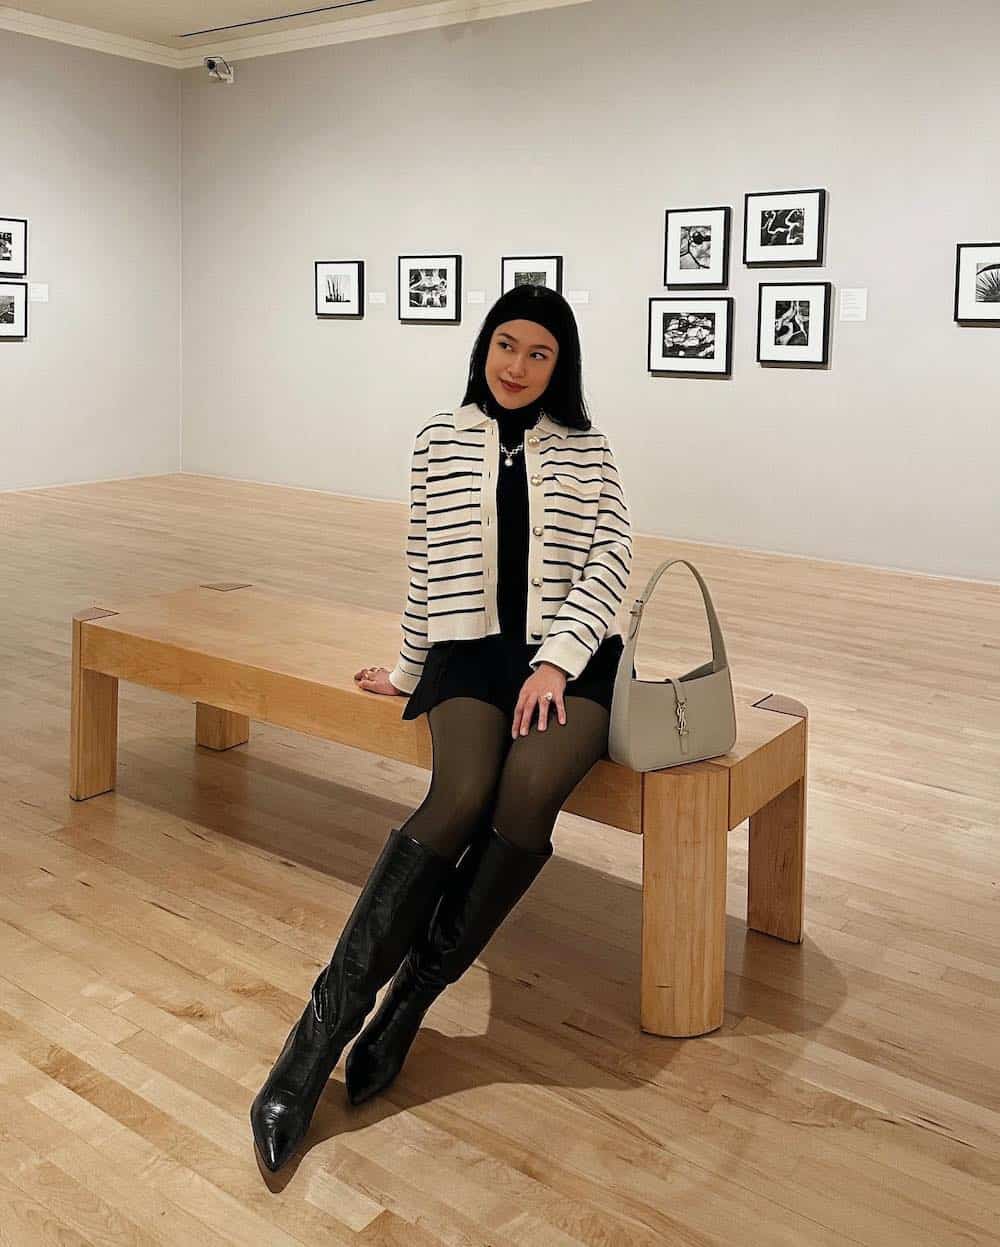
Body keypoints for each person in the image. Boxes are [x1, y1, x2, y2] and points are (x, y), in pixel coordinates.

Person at [250, 284, 634, 1174]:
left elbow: (615, 563)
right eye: (507, 344)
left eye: (540, 353)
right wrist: (408, 670)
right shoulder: (438, 439)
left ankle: (410, 999)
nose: (518, 365)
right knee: (459, 793)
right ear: (484, 345)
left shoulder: (590, 448)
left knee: (529, 790)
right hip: (468, 654)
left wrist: (558, 660)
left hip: (569, 661)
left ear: (560, 365)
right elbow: (425, 568)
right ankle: (308, 1053)